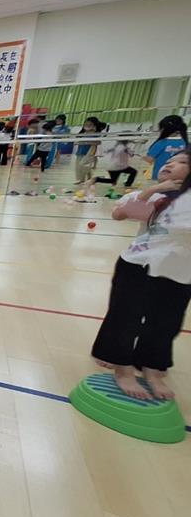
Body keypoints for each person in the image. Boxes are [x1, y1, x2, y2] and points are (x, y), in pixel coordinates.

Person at [91, 152, 190, 400]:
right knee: (125, 317)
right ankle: (123, 369)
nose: (170, 163)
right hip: (138, 265)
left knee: (166, 322)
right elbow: (120, 214)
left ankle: (152, 368)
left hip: (181, 273)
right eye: (170, 160)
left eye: (182, 162)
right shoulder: (156, 196)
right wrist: (155, 190)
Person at [144, 114, 188, 180]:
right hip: (179, 176)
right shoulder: (185, 142)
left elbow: (149, 159)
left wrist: (140, 157)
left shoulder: (161, 143)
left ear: (163, 129)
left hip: (161, 174)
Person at [75, 117, 106, 184]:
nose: (87, 126)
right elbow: (78, 141)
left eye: (89, 124)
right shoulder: (83, 133)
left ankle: (90, 177)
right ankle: (83, 179)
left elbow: (98, 142)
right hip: (80, 151)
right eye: (86, 124)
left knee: (83, 164)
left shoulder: (95, 134)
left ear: (94, 125)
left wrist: (86, 142)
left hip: (89, 152)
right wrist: (79, 142)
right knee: (79, 166)